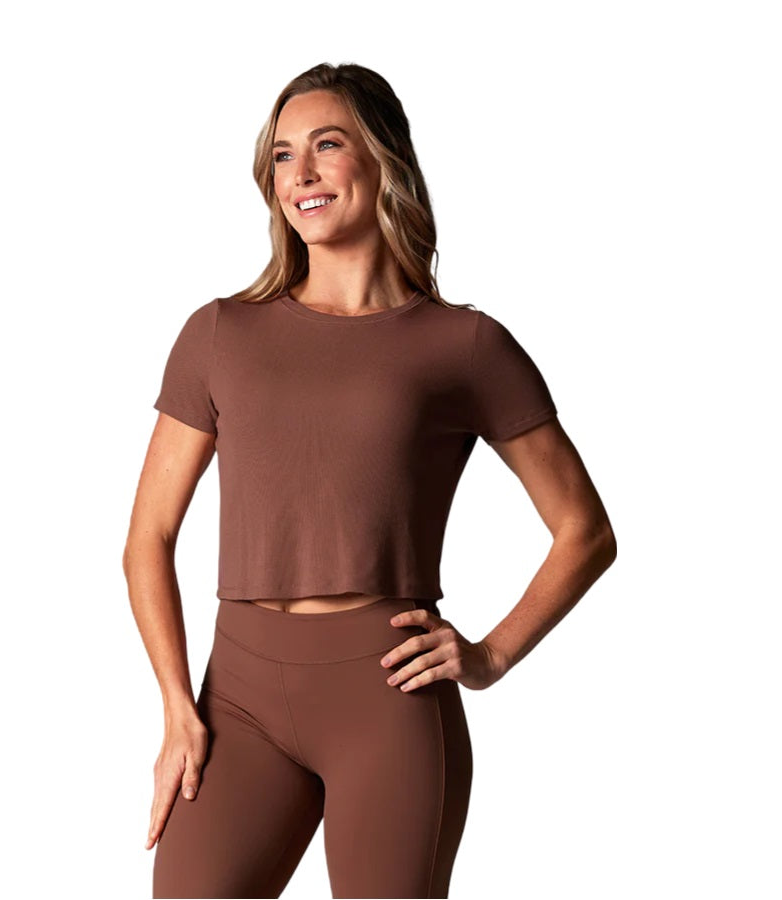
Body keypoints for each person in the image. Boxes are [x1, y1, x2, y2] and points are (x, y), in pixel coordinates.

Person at [123, 62, 617, 899]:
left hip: (386, 696)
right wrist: (177, 704)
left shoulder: (463, 345)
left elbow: (586, 532)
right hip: (237, 696)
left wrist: (490, 654)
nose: (301, 175)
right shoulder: (219, 333)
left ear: (383, 159)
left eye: (327, 146)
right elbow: (148, 539)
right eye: (283, 156)